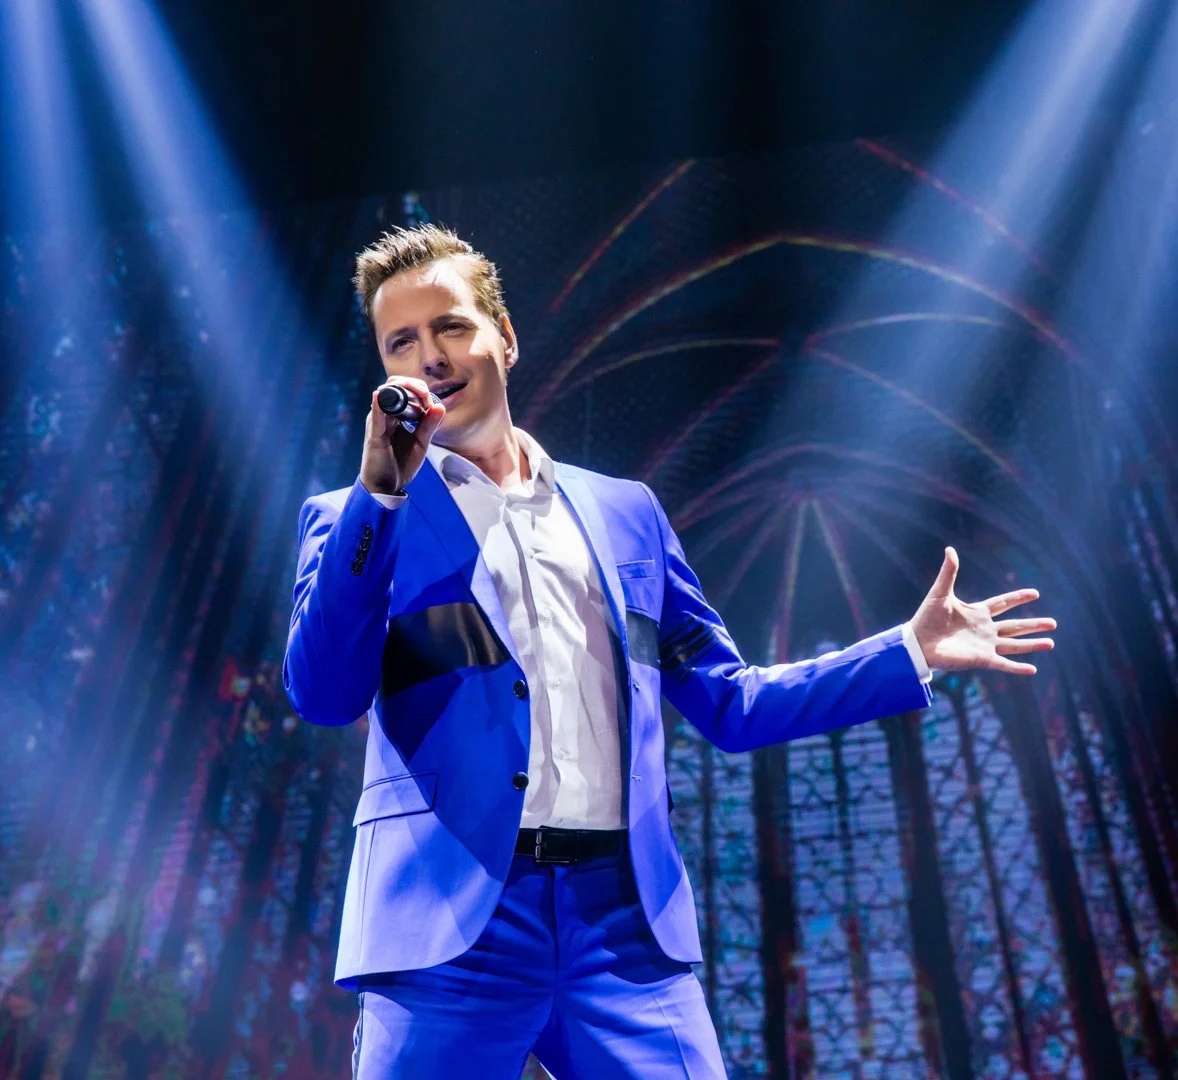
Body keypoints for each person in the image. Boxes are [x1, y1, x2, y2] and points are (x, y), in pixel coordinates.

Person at [283, 223, 1058, 1078]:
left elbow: (731, 701)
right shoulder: (353, 519)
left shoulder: (626, 514)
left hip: (620, 925)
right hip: (448, 927)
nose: (430, 356)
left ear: (504, 336)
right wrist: (380, 496)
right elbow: (324, 695)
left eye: (452, 327)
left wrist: (907, 650)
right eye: (403, 342)